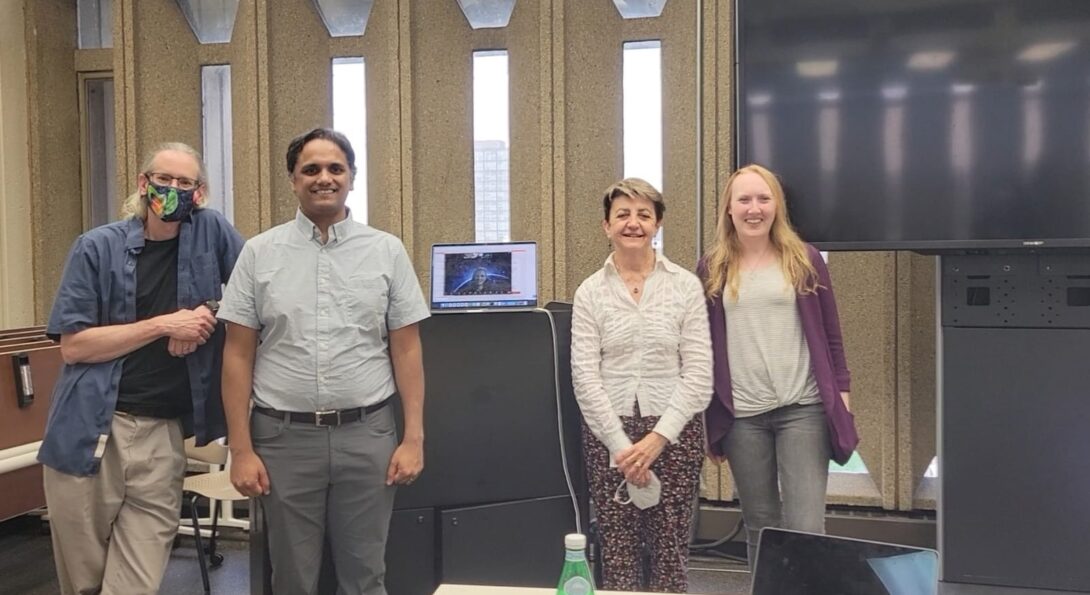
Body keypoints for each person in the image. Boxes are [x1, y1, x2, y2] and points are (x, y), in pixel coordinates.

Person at [219, 128, 429, 595]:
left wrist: (413, 436)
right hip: (282, 441)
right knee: (292, 579)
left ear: (352, 178)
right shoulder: (258, 253)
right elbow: (237, 353)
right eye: (310, 169)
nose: (323, 178)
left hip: (368, 437)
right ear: (293, 180)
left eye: (335, 168)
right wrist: (240, 449)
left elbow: (407, 348)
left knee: (365, 576)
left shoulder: (386, 251)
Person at [39, 142, 244, 595]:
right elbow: (75, 347)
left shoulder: (211, 232)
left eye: (184, 183)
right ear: (142, 183)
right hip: (90, 430)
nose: (172, 190)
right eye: (163, 179)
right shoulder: (96, 247)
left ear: (201, 192)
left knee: (137, 583)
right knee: (85, 583)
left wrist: (205, 314)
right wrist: (162, 324)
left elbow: (257, 288)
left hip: (162, 435)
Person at [698, 164, 859, 566]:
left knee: (806, 529)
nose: (755, 209)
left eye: (763, 199)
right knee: (761, 527)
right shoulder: (712, 267)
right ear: (730, 209)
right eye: (745, 200)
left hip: (803, 410)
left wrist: (842, 395)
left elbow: (832, 335)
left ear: (777, 206)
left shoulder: (804, 259)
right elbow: (702, 347)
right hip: (743, 419)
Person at [570, 178, 713, 592]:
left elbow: (699, 373)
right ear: (606, 225)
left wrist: (655, 440)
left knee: (669, 551)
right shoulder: (590, 292)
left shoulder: (684, 285)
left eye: (644, 215)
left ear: (658, 224)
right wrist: (620, 447)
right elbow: (584, 375)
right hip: (607, 434)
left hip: (674, 433)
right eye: (623, 215)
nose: (633, 223)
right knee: (618, 550)